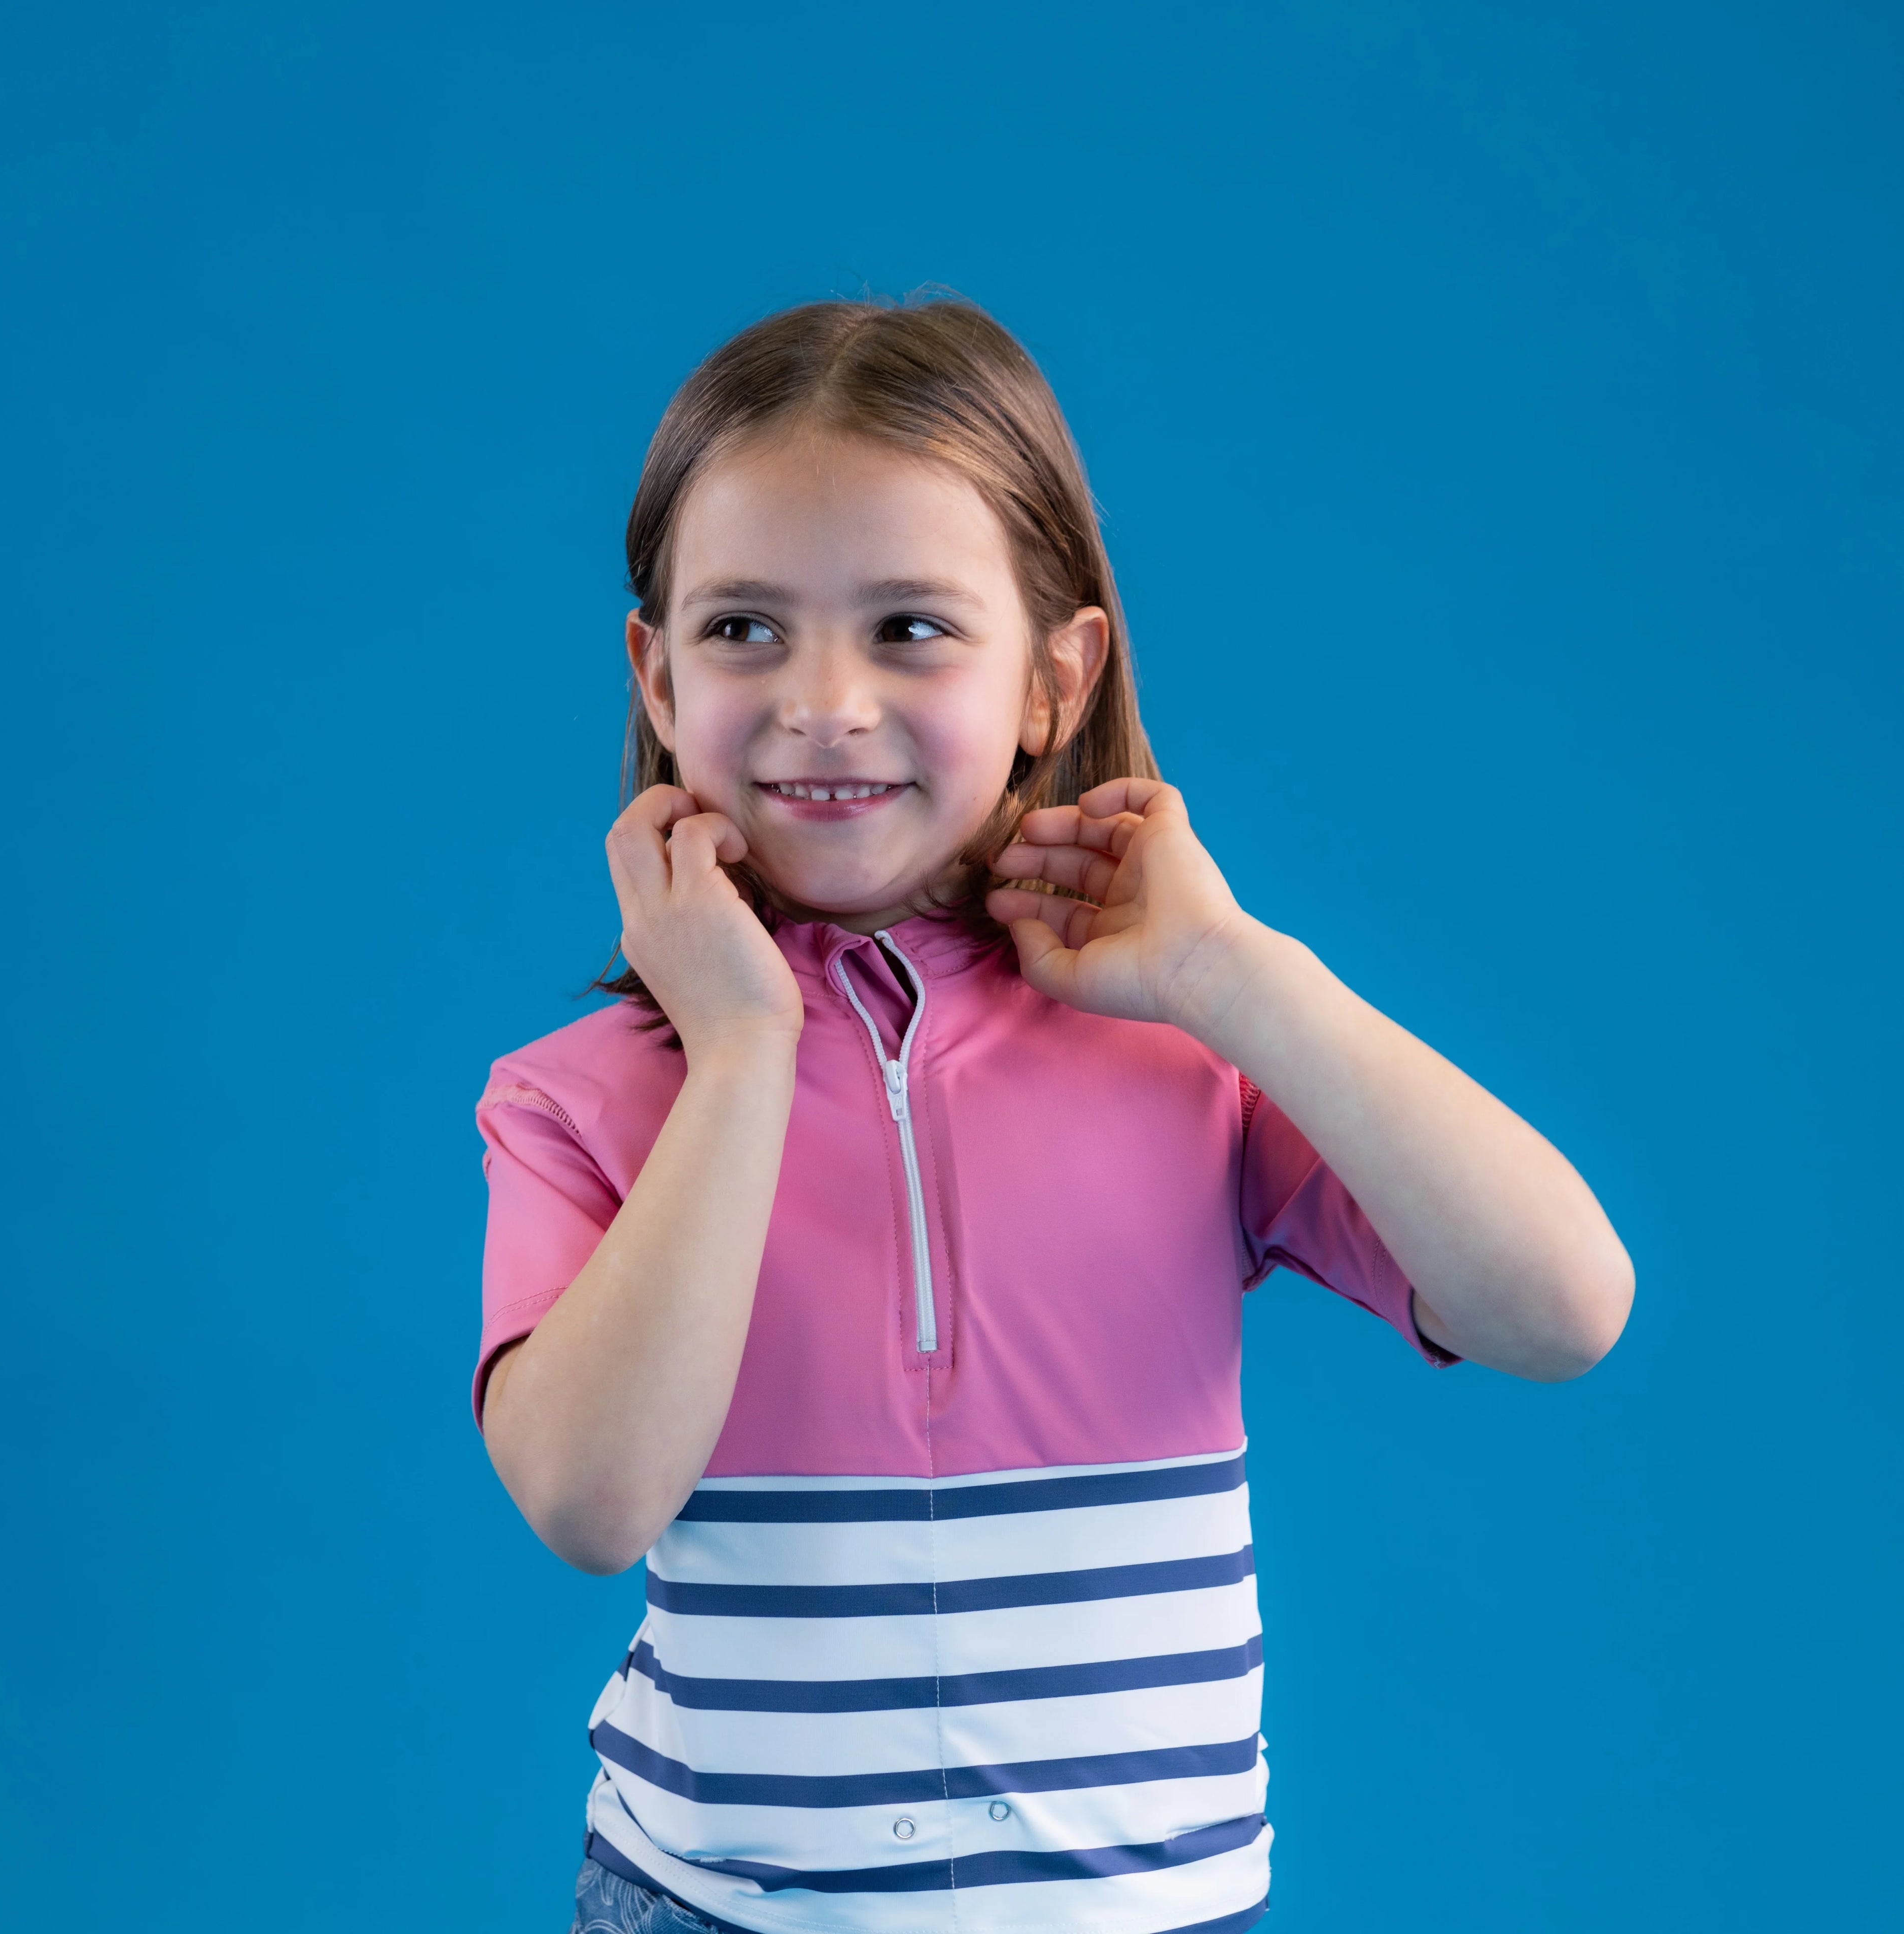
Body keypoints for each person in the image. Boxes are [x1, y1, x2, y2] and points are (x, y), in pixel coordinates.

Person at [474, 297, 1634, 1934]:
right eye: (744, 629)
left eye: (910, 628)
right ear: (657, 680)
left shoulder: (1197, 1058)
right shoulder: (579, 1099)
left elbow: (1565, 1308)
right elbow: (591, 1505)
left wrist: (1239, 973)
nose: (823, 701)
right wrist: (739, 1053)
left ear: (1054, 677)